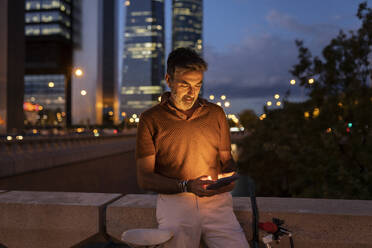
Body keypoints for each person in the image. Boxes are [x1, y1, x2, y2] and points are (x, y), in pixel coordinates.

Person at [136, 47, 249, 248]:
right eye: (185, 84)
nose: (192, 92)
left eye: (197, 85)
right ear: (168, 80)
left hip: (217, 204)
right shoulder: (150, 119)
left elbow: (226, 159)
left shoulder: (216, 114)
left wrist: (229, 176)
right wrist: (187, 185)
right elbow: (145, 178)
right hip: (175, 205)